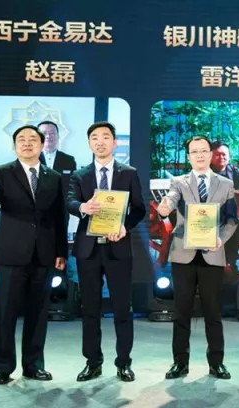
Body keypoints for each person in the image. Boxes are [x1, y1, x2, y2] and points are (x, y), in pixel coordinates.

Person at [0, 125, 68, 385]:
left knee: (38, 314)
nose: (27, 143)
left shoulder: (54, 177)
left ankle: (34, 365)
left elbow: (59, 217)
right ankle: (2, 367)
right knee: (5, 313)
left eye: (32, 139)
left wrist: (61, 251)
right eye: (21, 139)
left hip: (44, 254)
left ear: (41, 145)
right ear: (14, 145)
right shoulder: (2, 172)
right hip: (12, 253)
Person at [66, 121, 146, 382]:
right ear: (89, 143)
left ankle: (124, 362)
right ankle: (92, 362)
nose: (100, 142)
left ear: (114, 142)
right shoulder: (80, 175)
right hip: (88, 250)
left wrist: (124, 226)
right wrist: (82, 207)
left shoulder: (129, 173)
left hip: (118, 247)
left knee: (122, 308)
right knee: (90, 308)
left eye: (105, 137)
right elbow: (69, 201)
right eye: (95, 138)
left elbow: (139, 208)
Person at [156, 135, 238, 380]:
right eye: (195, 151)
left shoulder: (225, 184)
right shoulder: (178, 182)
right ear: (188, 156)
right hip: (184, 254)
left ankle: (217, 363)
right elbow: (170, 201)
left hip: (213, 253)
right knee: (181, 312)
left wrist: (221, 239)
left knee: (213, 312)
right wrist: (164, 209)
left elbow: (232, 219)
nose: (200, 155)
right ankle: (180, 363)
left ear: (210, 154)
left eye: (204, 151)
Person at [210, 141, 239, 273]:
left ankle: (230, 263)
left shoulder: (232, 170)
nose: (221, 157)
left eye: (224, 154)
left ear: (229, 156)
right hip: (210, 214)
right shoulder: (204, 171)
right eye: (217, 154)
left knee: (238, 225)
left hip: (230, 213)